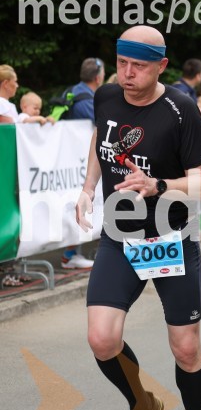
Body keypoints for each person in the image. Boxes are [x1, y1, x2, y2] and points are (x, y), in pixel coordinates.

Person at [75, 25, 201, 410]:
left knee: (186, 347)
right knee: (102, 338)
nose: (128, 73)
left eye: (139, 66)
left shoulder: (182, 110)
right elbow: (101, 141)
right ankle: (142, 403)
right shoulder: (107, 97)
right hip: (120, 233)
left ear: (161, 66)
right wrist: (88, 187)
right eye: (122, 64)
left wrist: (159, 185)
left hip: (170, 237)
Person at [62, 58, 107, 269]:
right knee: (78, 202)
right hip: (80, 163)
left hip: (74, 162)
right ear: (98, 77)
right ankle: (70, 254)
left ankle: (72, 252)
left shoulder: (71, 92)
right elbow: (104, 125)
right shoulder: (87, 100)